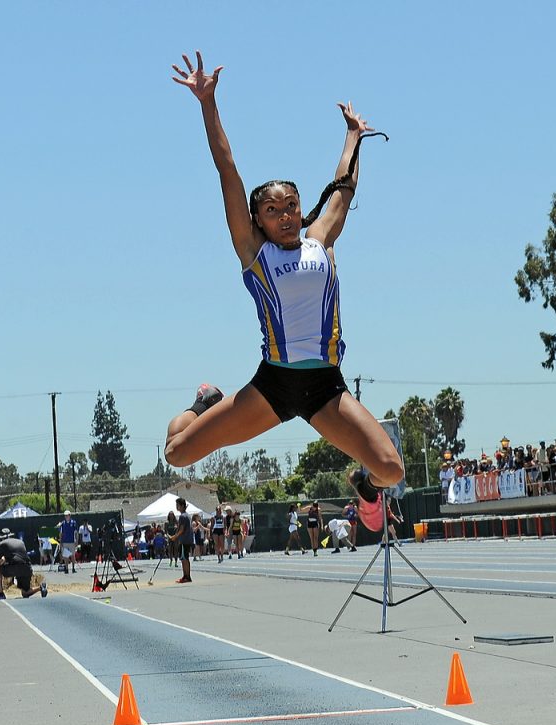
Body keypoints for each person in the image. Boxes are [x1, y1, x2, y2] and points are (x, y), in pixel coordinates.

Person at [163, 52, 404, 508]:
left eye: (291, 205)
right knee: (177, 452)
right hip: (273, 384)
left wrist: (353, 136)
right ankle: (202, 405)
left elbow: (343, 188)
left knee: (391, 469)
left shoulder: (320, 241)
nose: (285, 215)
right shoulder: (255, 253)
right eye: (272, 210)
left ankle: (364, 485)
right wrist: (208, 103)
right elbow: (227, 169)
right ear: (258, 220)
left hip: (325, 387)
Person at [0, 530, 47, 600]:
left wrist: (2, 561)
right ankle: (41, 588)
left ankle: (1, 593)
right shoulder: (20, 542)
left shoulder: (1, 544)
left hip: (15, 568)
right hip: (27, 568)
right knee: (25, 593)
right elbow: (19, 556)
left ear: (2, 538)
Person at [171, 497, 193, 583]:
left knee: (184, 559)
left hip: (184, 540)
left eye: (178, 505)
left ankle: (187, 576)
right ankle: (185, 576)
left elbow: (181, 529)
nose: (177, 507)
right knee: (184, 558)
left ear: (182, 506)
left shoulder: (182, 516)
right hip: (187, 539)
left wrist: (175, 537)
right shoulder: (187, 515)